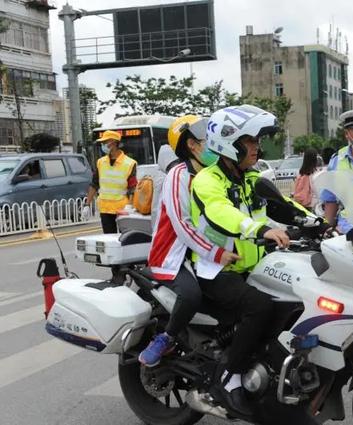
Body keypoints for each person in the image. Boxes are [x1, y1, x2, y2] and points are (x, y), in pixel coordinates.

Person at [190, 105, 298, 417]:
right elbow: (221, 212)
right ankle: (229, 377)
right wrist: (260, 229)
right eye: (250, 141)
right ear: (229, 143)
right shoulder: (207, 181)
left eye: (256, 141)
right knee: (259, 306)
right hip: (216, 269)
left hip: (255, 267)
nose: (257, 147)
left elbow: (285, 205)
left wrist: (320, 223)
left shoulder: (252, 178)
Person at [138, 115, 239, 367]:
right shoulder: (179, 176)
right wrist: (215, 253)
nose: (214, 144)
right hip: (173, 255)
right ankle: (167, 337)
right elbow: (182, 224)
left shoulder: (216, 174)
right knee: (191, 296)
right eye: (207, 139)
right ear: (192, 145)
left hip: (205, 254)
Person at [83, 130, 137, 233]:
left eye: (104, 142)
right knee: (109, 240)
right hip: (105, 208)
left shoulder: (130, 163)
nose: (103, 145)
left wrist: (130, 205)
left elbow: (132, 187)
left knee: (124, 239)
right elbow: (94, 184)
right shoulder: (100, 162)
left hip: (122, 208)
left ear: (113, 142)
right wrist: (87, 204)